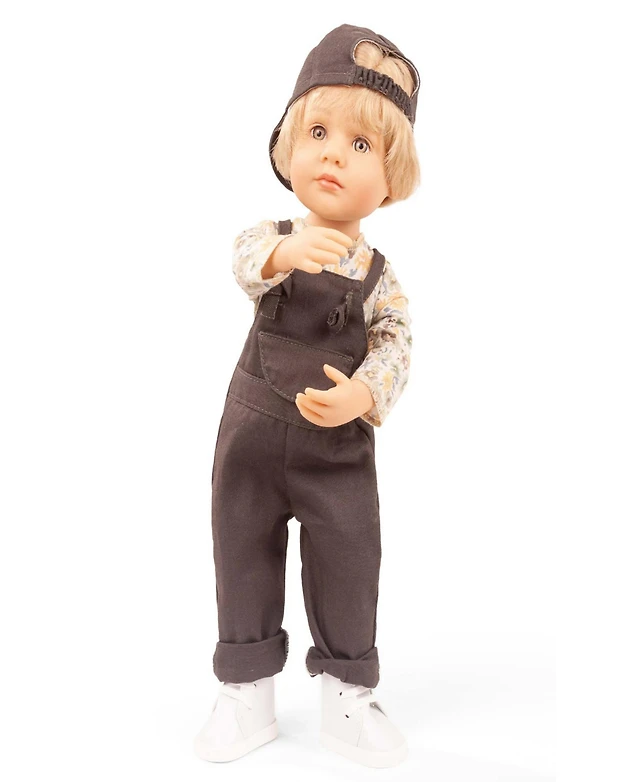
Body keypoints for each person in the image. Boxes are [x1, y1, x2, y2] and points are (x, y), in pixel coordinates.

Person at [194, 23, 421, 768]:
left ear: (390, 180)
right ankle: (245, 692)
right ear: (288, 147)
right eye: (318, 133)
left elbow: (396, 345)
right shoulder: (272, 238)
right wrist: (285, 252)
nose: (333, 155)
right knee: (241, 548)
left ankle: (349, 697)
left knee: (350, 558)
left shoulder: (379, 278)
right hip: (252, 436)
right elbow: (244, 261)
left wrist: (363, 396)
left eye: (361, 145)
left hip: (337, 452)